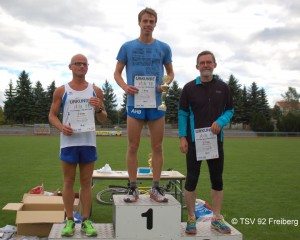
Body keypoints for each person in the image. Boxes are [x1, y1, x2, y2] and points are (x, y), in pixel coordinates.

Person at [114, 7, 174, 203]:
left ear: (155, 24)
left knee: (157, 146)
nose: (148, 24)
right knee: (133, 146)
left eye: (151, 21)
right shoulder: (127, 47)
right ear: (139, 23)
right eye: (145, 21)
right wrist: (125, 87)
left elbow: (170, 73)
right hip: (135, 102)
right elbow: (117, 73)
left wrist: (165, 83)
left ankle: (155, 188)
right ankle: (133, 188)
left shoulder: (164, 48)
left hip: (156, 103)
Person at [48, 54, 107, 237]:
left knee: (86, 183)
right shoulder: (61, 91)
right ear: (70, 67)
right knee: (68, 182)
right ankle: (69, 221)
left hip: (88, 142)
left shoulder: (95, 90)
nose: (81, 66)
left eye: (84, 64)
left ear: (87, 67)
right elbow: (52, 115)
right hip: (69, 143)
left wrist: (99, 108)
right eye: (77, 64)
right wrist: (60, 127)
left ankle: (86, 220)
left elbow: (103, 118)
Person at [178, 50, 234, 235]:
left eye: (209, 62)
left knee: (217, 180)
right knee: (191, 180)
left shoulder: (223, 87)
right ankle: (191, 218)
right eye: (202, 63)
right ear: (197, 66)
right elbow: (183, 114)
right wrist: (182, 137)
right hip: (194, 143)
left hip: (216, 141)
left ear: (215, 65)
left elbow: (230, 110)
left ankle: (216, 218)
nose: (206, 65)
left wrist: (221, 122)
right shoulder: (188, 88)